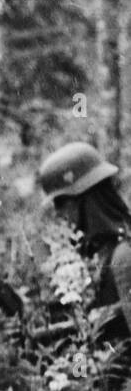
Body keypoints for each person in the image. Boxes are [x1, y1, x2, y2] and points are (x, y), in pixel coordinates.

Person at [35, 142, 131, 360]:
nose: (60, 214)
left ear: (86, 200)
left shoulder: (123, 255)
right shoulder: (102, 253)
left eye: (62, 202)